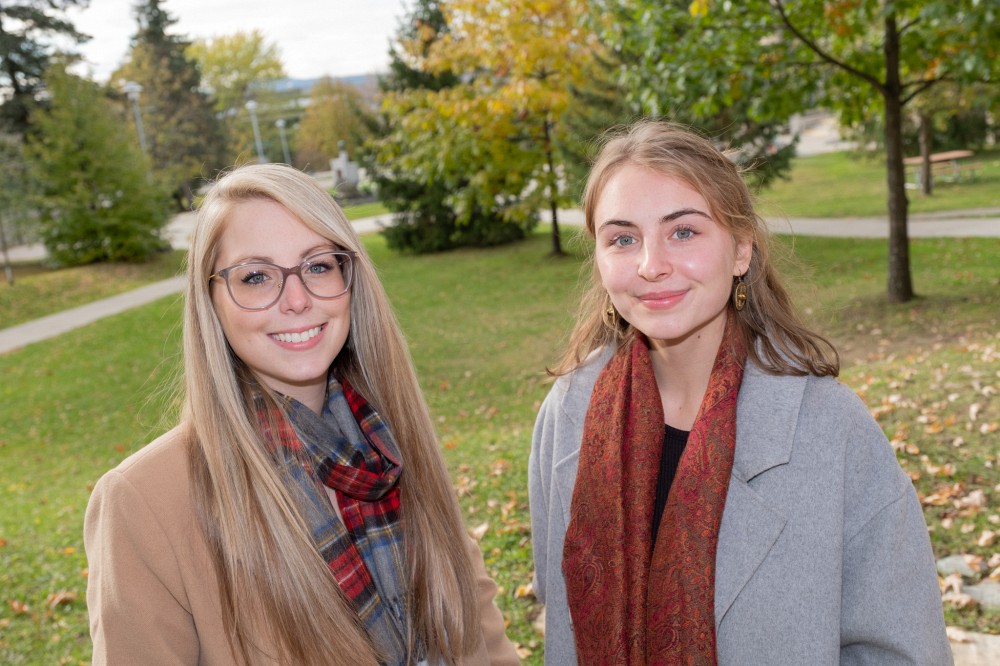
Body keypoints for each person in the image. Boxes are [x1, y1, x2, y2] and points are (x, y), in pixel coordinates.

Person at [528, 120, 951, 665]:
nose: (651, 265)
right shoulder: (569, 413)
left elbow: (901, 649)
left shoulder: (830, 428)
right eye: (623, 238)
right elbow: (556, 601)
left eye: (684, 231)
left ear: (742, 249)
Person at [85, 163, 520, 665]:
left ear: (350, 278)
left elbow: (483, 639)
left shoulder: (392, 444)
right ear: (211, 302)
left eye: (317, 266)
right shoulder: (144, 502)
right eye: (255, 276)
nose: (297, 300)